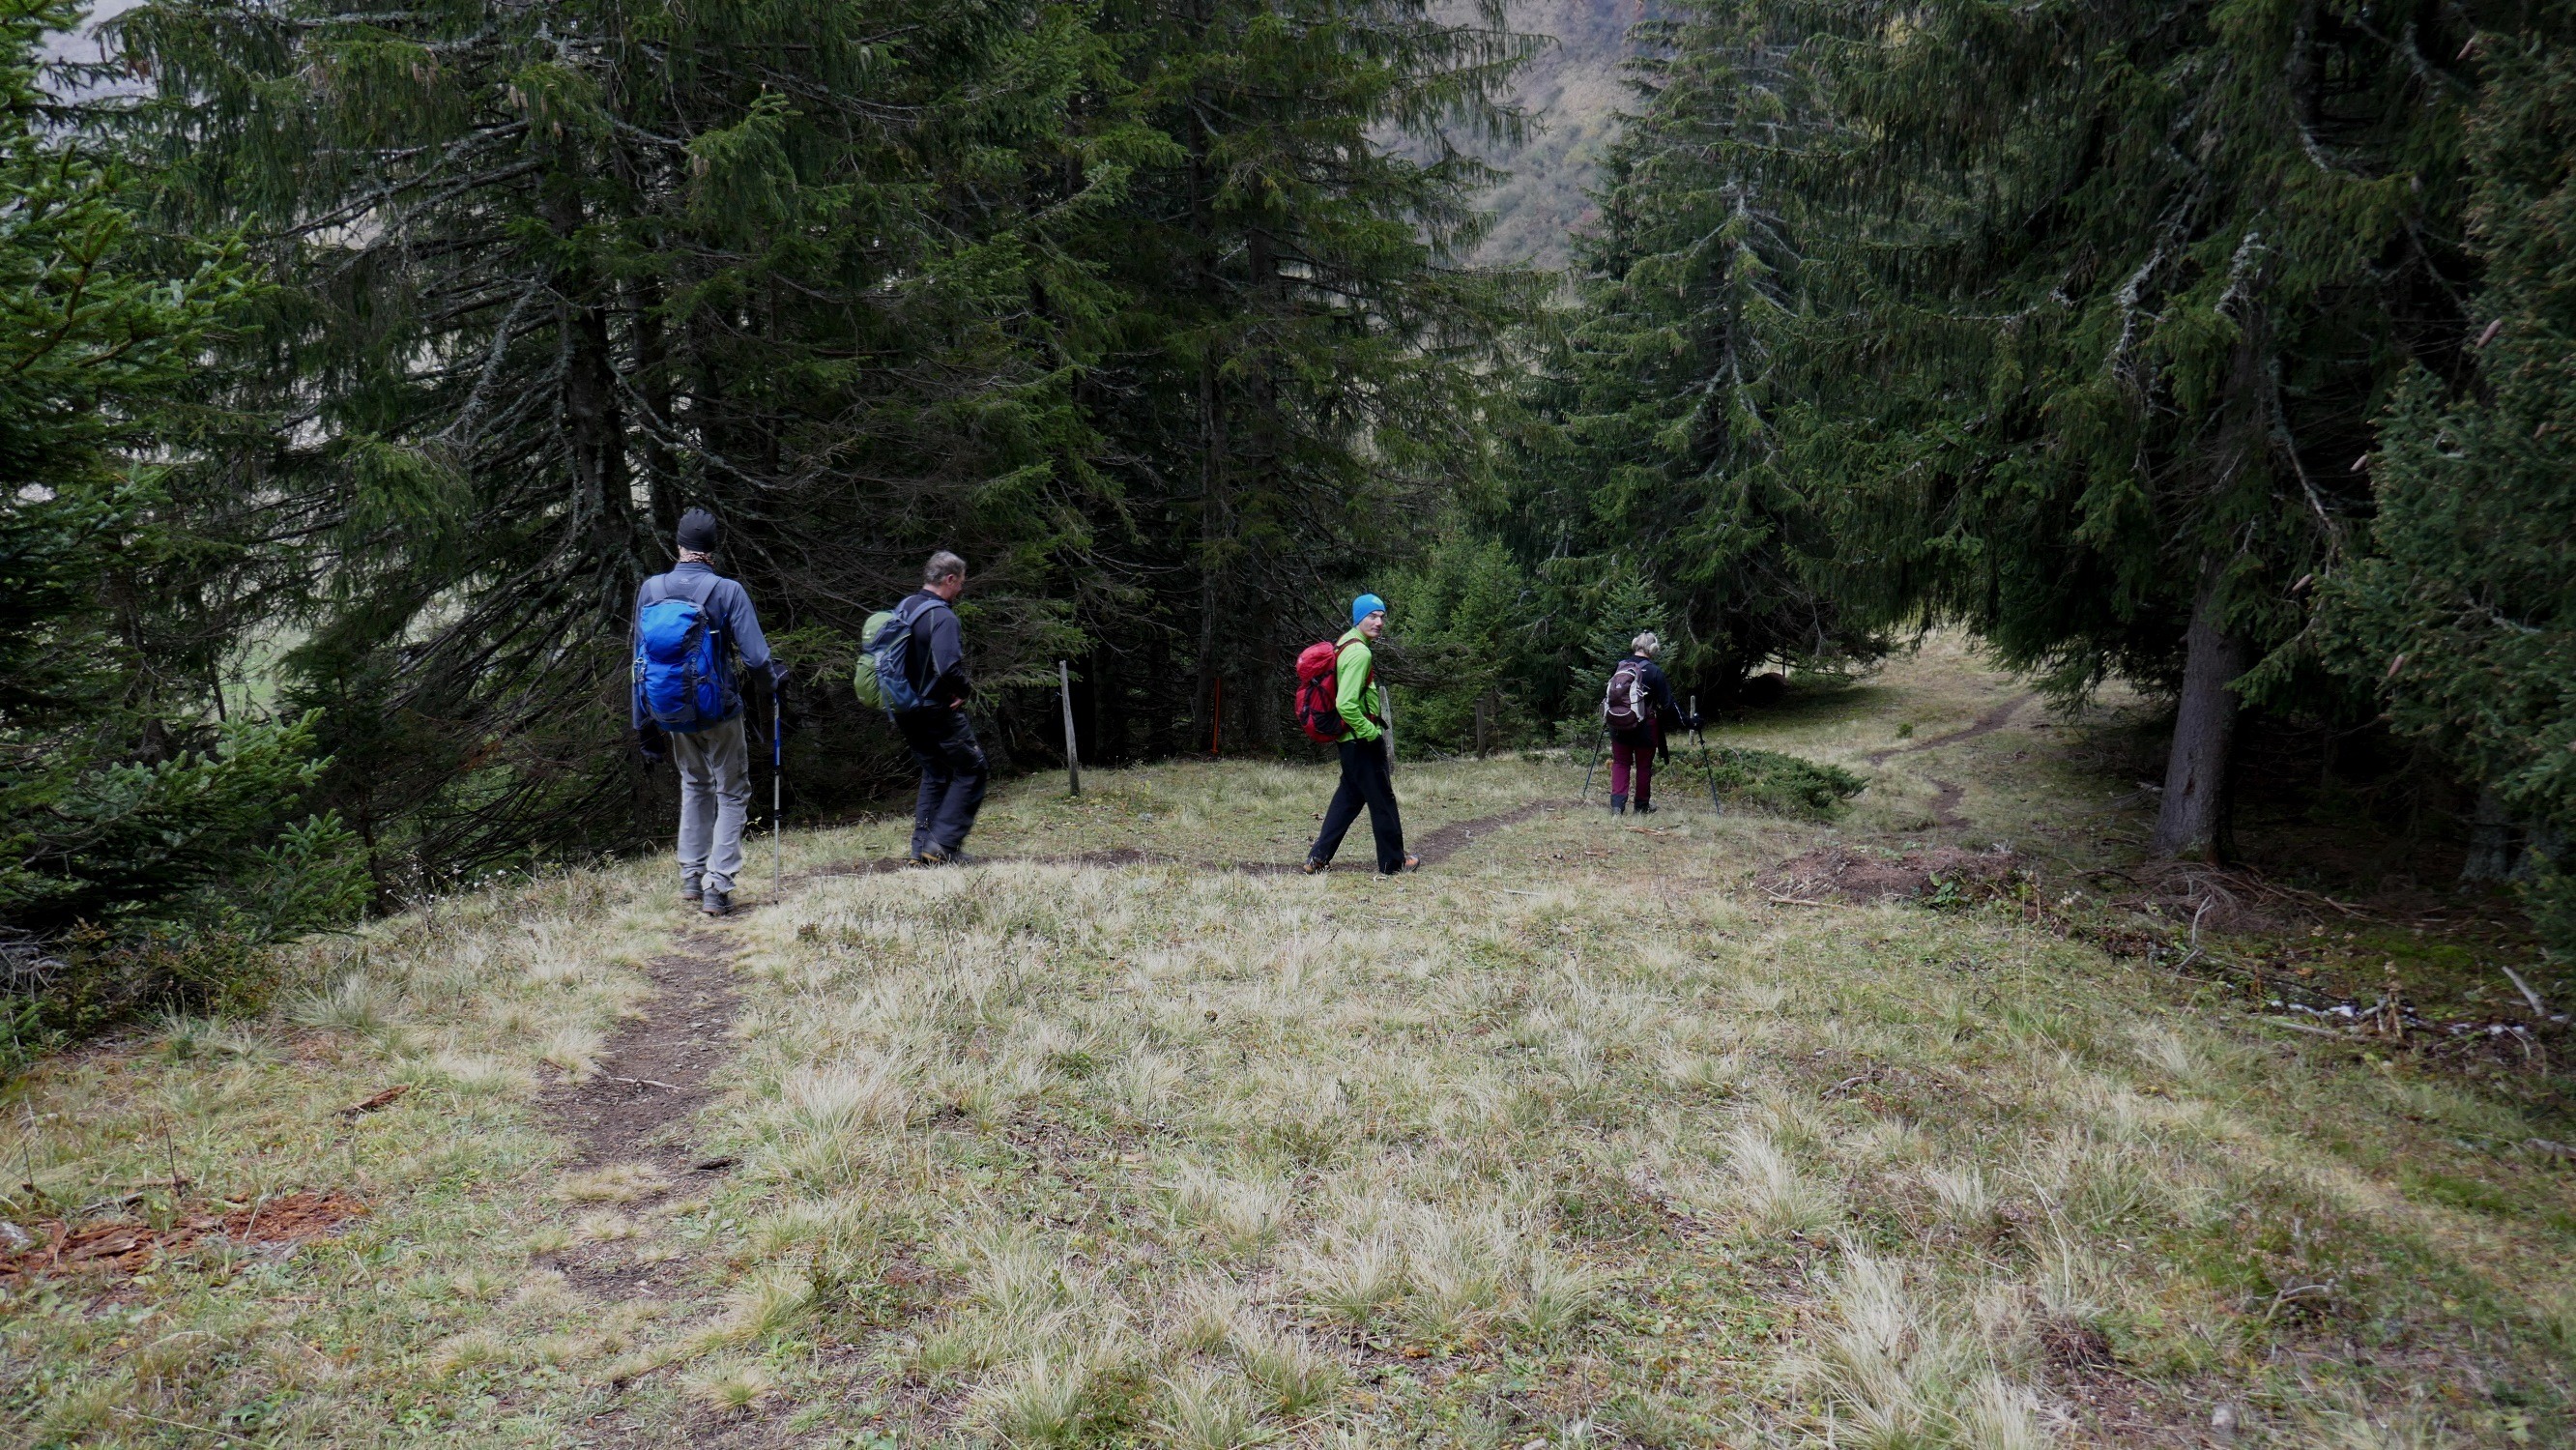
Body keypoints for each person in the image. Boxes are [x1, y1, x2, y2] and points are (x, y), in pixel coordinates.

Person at [633, 508, 785, 916]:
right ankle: (717, 886)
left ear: (679, 545)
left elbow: (638, 662)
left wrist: (643, 724)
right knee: (732, 791)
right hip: (718, 710)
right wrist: (773, 683)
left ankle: (690, 877)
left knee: (694, 785)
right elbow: (756, 659)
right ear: (712, 549)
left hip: (671, 710)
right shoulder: (727, 590)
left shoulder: (651, 589)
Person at [1304, 594, 1419, 875]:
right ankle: (1394, 863)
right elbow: (1345, 704)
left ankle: (1317, 859)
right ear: (1359, 618)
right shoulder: (1360, 652)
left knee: (1349, 798)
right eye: (1372, 616)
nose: (1379, 622)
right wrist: (1371, 733)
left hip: (1349, 741)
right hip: (1361, 740)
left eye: (1382, 617)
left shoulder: (1345, 643)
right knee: (1383, 800)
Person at [890, 551, 987, 865]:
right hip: (936, 710)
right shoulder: (943, 616)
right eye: (960, 582)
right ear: (949, 579)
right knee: (972, 769)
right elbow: (947, 667)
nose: (961, 589)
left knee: (936, 772)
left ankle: (922, 851)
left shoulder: (905, 607)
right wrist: (964, 691)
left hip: (903, 708)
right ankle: (942, 845)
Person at [1606, 631, 1686, 815]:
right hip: (1646, 726)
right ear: (1653, 649)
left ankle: (1617, 806)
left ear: (1635, 645)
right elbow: (1668, 704)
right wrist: (1689, 721)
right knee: (1643, 766)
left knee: (1620, 762)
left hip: (1618, 724)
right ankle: (1641, 807)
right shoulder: (1654, 671)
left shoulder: (1620, 666)